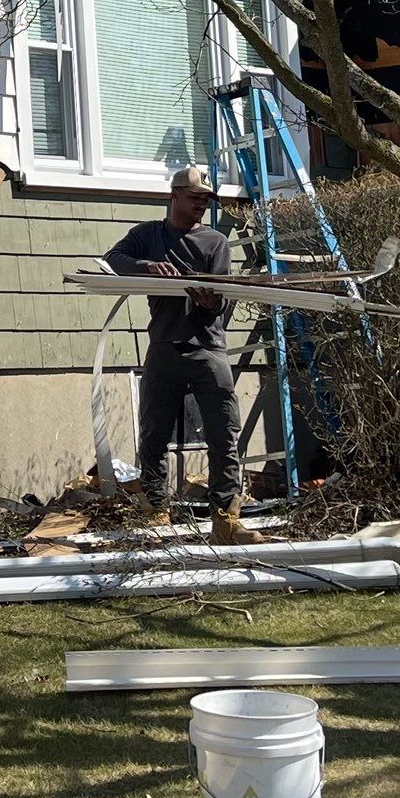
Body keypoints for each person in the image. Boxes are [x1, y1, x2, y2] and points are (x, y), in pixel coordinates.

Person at [104, 162, 255, 535]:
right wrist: (148, 267)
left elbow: (223, 298)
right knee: (153, 434)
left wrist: (210, 302)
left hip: (207, 348)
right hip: (164, 347)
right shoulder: (149, 235)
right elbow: (112, 260)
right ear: (174, 196)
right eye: (194, 198)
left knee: (223, 433)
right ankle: (155, 513)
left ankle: (226, 520)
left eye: (206, 199)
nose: (201, 205)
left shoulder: (215, 242)